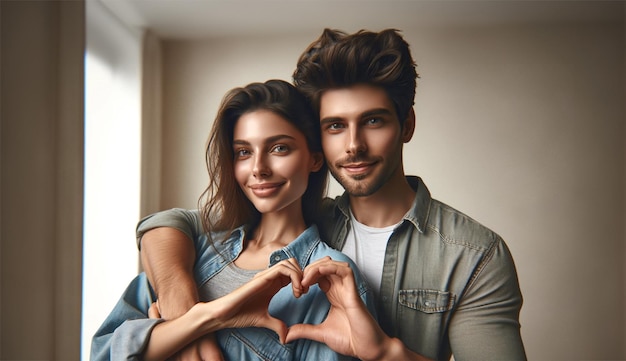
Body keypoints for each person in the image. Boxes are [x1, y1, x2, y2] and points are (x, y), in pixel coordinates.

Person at [137, 29, 527, 361]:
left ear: (406, 124)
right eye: (336, 125)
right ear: (317, 141)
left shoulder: (473, 254)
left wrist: (386, 353)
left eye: (373, 121)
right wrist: (184, 311)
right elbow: (171, 222)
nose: (354, 145)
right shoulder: (300, 217)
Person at [90, 80, 376, 361]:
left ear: (314, 159)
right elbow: (102, 352)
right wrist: (207, 318)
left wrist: (166, 337)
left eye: (279, 148)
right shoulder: (196, 250)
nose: (258, 169)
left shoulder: (327, 279)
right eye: (244, 152)